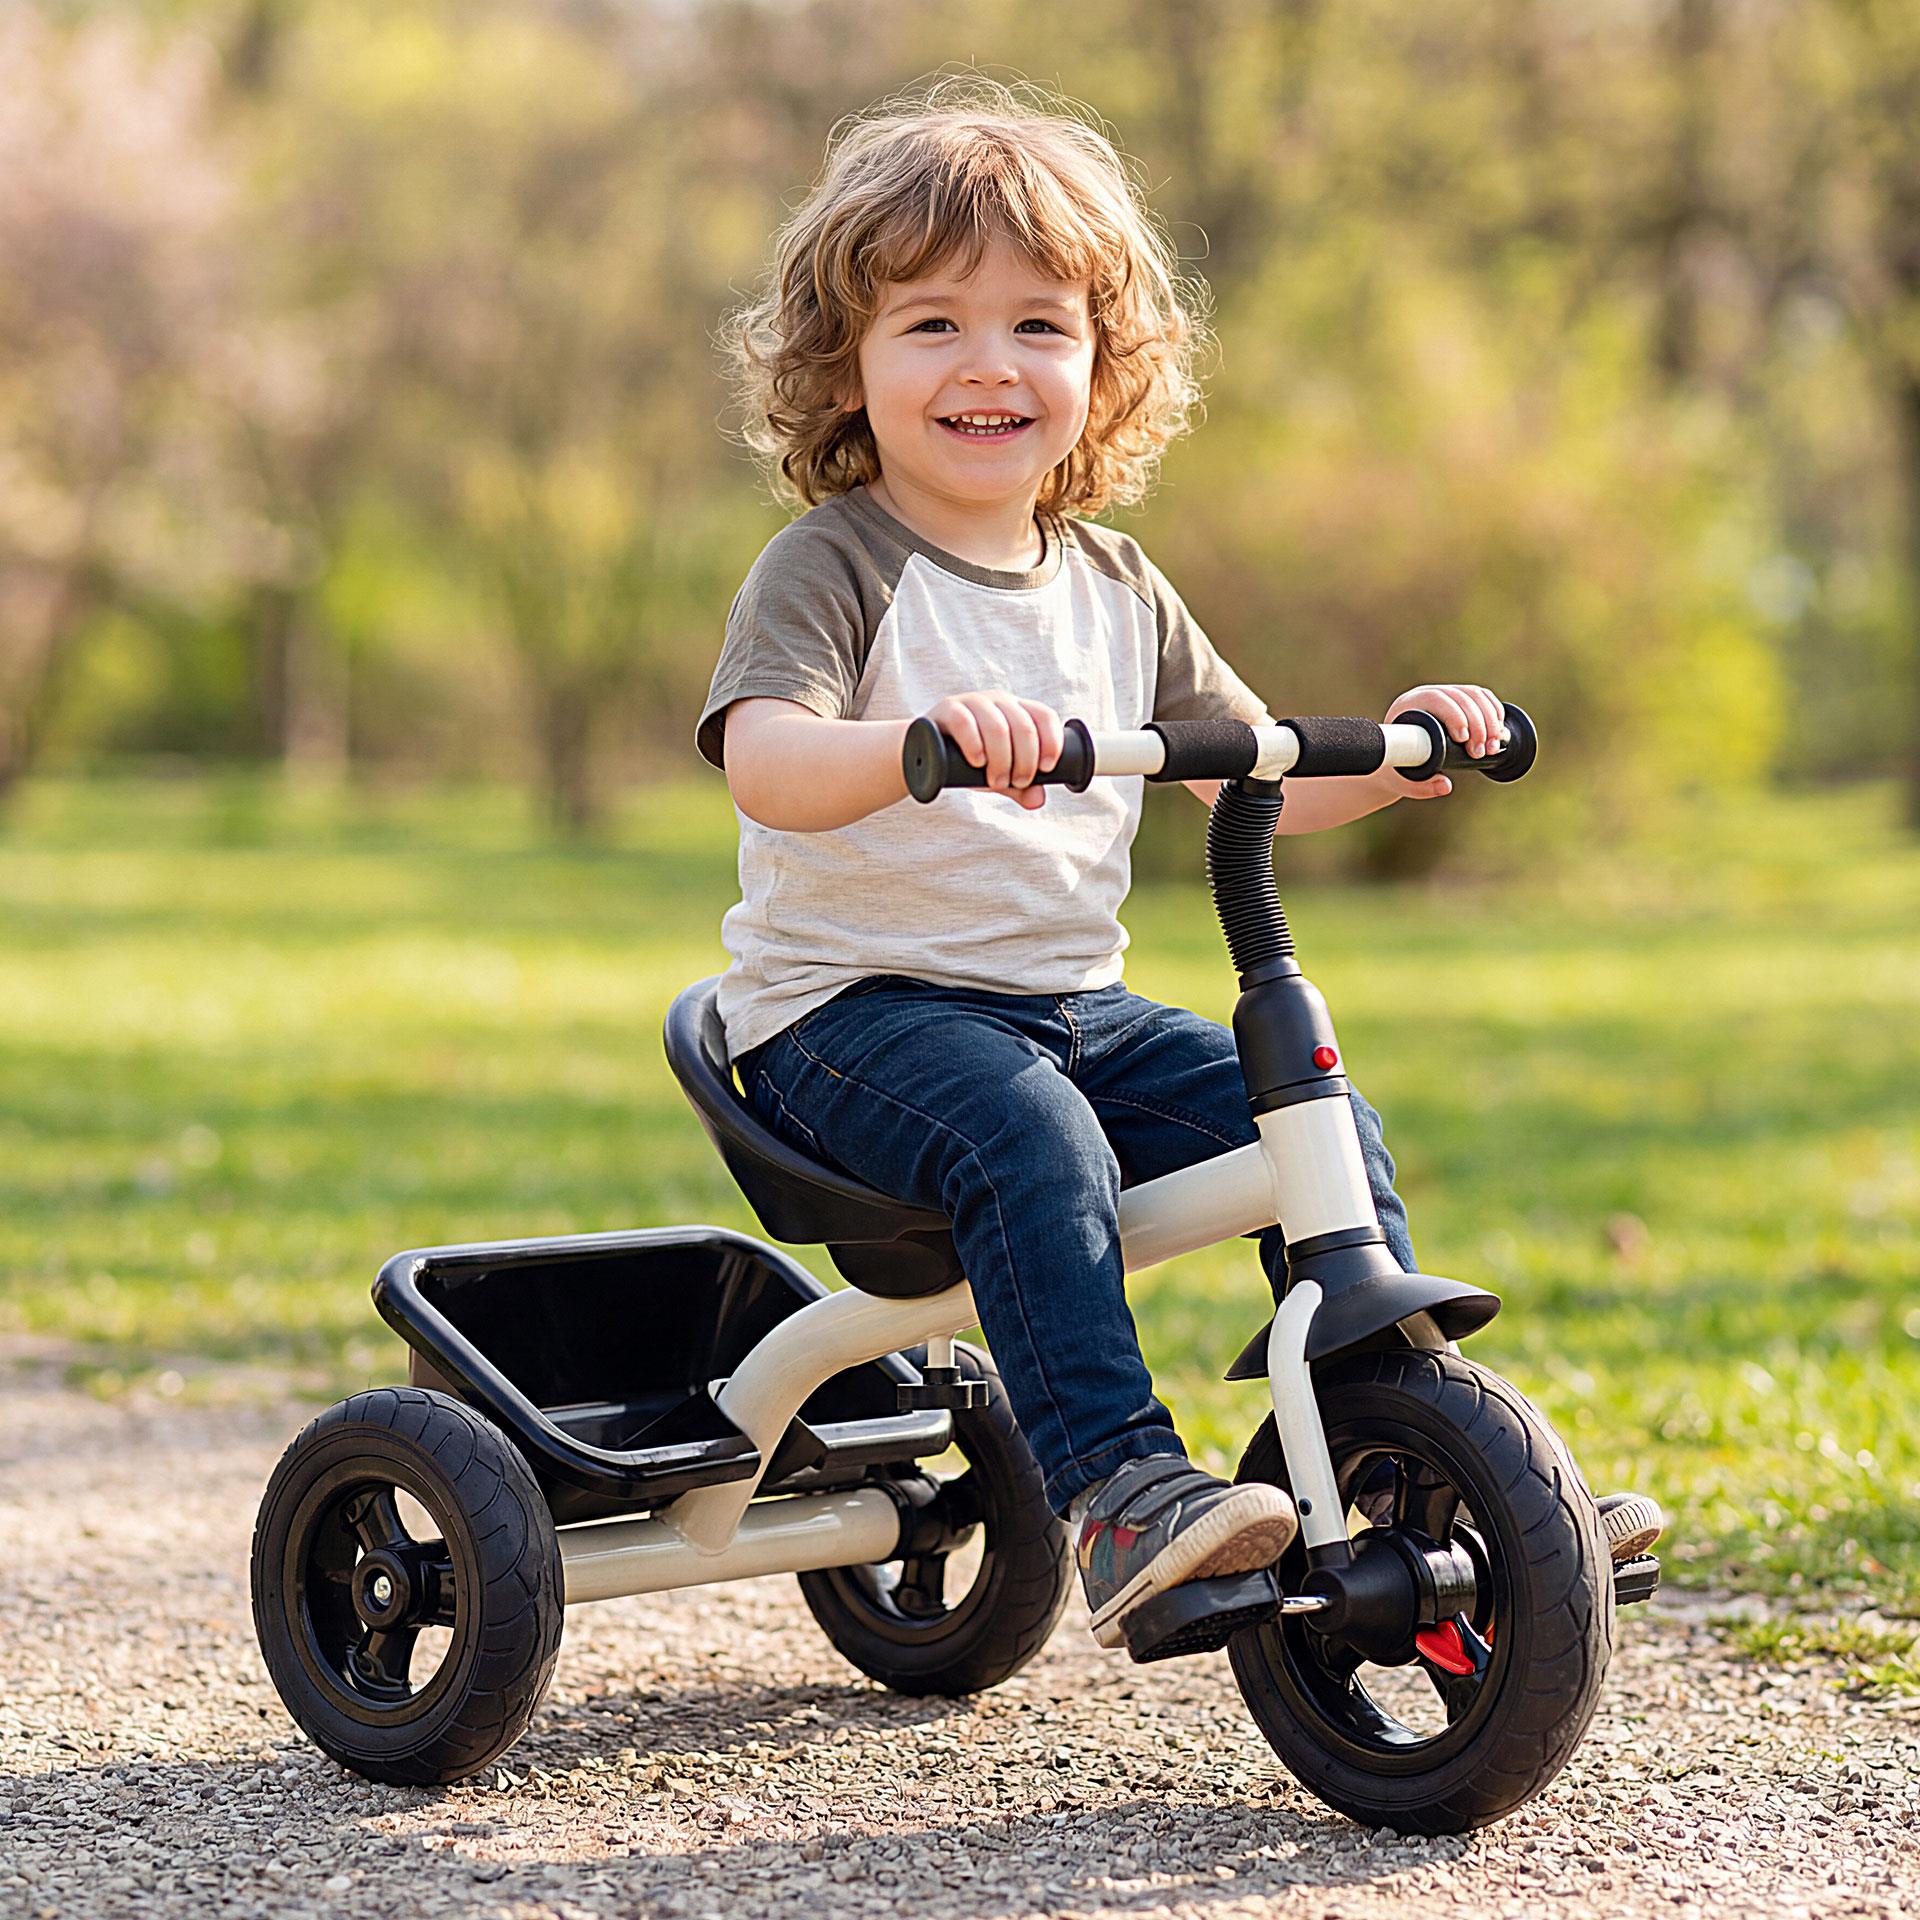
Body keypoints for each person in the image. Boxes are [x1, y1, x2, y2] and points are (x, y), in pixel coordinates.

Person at [698, 82, 1661, 1648]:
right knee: (1032, 1139)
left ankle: (1403, 1444)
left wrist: (1397, 753)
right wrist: (922, 740)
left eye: (1038, 325)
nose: (990, 364)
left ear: (1103, 363)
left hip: (1067, 1008)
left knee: (1311, 1114)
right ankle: (1120, 1488)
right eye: (932, 325)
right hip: (846, 1023)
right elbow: (767, 759)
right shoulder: (836, 565)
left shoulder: (1116, 584)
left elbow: (1245, 777)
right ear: (847, 367)